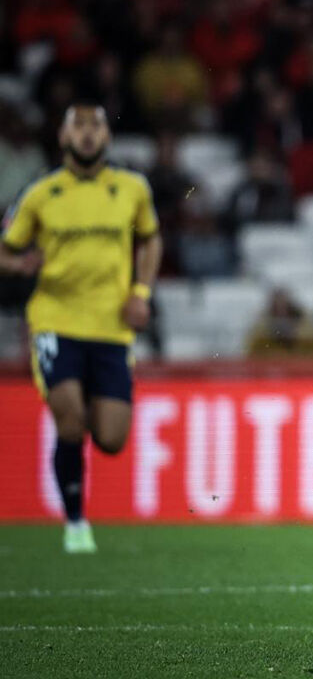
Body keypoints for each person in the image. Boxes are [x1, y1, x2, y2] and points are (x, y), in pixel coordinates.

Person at [0, 104, 162, 553]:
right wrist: (20, 264)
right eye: (79, 127)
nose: (88, 135)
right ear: (63, 137)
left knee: (111, 438)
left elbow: (151, 239)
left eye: (96, 127)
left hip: (111, 328)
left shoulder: (131, 188)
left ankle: (82, 395)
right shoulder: (41, 194)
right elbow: (5, 248)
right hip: (56, 320)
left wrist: (141, 293)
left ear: (107, 137)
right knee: (70, 423)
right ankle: (75, 523)